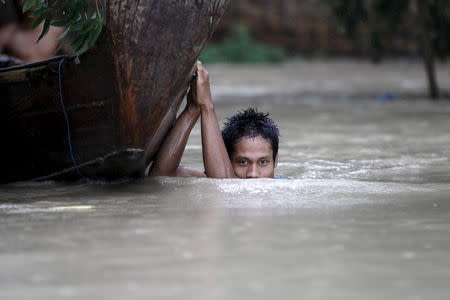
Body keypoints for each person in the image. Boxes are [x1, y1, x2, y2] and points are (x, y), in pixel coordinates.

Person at [148, 61, 279, 179]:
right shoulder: (211, 177)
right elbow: (161, 177)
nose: (253, 174)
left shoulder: (283, 190)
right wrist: (192, 109)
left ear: (275, 161)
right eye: (242, 162)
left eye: (263, 162)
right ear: (226, 159)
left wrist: (207, 106)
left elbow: (223, 184)